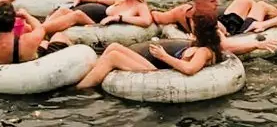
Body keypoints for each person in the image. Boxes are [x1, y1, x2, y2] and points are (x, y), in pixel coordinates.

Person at [75, 12, 224, 89]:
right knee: (114, 47)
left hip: (163, 78)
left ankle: (80, 88)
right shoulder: (202, 45)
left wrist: (163, 56)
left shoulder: (204, 51)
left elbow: (190, 69)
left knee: (113, 57)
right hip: (164, 72)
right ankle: (89, 77)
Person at [152, 0, 277, 55]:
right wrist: (257, 44)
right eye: (212, 2)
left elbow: (157, 17)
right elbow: (225, 46)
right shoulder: (204, 22)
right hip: (237, 35)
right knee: (261, 5)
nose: (217, 4)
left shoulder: (182, 10)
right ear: (199, 3)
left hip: (224, 24)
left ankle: (263, 17)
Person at [0, 0, 72, 64]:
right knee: (58, 36)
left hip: (7, 63)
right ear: (14, 20)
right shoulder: (29, 39)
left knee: (44, 43)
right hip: (31, 61)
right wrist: (26, 15)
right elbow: (40, 28)